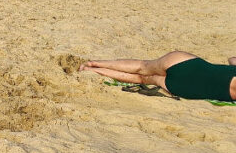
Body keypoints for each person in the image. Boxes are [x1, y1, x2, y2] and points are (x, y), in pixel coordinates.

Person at [81, 53, 236, 101]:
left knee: (142, 66)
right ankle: (94, 70)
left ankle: (94, 63)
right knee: (140, 79)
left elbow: (232, 59)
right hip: (187, 87)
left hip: (188, 64)